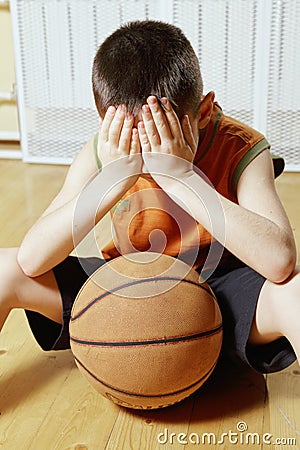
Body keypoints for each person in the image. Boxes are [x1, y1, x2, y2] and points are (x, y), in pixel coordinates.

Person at [0, 20, 299, 374]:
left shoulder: (241, 146)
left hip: (220, 300)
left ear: (203, 112)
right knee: (4, 267)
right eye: (135, 139)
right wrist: (111, 180)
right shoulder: (104, 151)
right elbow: (32, 260)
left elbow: (280, 261)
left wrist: (181, 178)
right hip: (126, 293)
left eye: (162, 135)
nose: (146, 153)